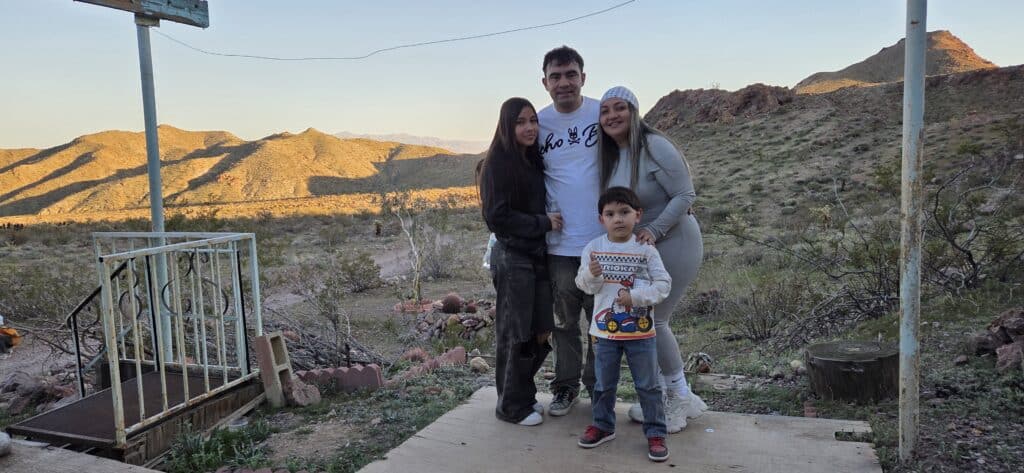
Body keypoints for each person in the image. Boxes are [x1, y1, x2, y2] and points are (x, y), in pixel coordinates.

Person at [597, 86, 708, 433]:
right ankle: (663, 396)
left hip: (675, 241)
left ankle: (680, 396)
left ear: (634, 112)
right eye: (605, 111)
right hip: (646, 250)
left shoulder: (654, 146)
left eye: (620, 108)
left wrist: (656, 230)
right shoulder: (617, 154)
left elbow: (684, 193)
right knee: (645, 320)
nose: (612, 116)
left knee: (655, 320)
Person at [479, 97, 563, 426]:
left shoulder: (531, 160)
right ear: (507, 126)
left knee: (541, 329)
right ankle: (511, 405)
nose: (529, 127)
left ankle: (524, 395)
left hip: (537, 256)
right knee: (516, 331)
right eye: (520, 122)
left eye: (533, 121)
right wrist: (543, 223)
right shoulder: (498, 163)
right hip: (512, 257)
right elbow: (496, 218)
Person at [575, 186, 670, 462]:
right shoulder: (594, 249)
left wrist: (636, 297)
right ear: (601, 219)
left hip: (641, 332)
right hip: (604, 333)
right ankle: (603, 426)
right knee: (603, 383)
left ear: (637, 215)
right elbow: (584, 286)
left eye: (624, 212)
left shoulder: (646, 250)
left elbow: (663, 285)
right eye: (610, 213)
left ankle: (656, 432)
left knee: (648, 385)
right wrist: (592, 276)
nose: (618, 219)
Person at [537, 45, 605, 416]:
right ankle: (565, 388)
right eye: (555, 76)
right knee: (564, 324)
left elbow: (649, 144)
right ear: (545, 82)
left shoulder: (602, 112)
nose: (564, 83)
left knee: (602, 324)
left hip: (603, 242)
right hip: (560, 244)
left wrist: (680, 189)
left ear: (583, 77)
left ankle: (599, 390)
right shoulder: (539, 122)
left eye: (570, 74)